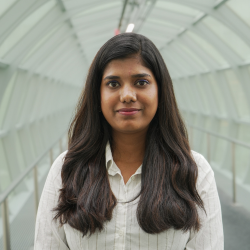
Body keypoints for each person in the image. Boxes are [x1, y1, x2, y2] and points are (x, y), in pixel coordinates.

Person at [34, 33, 224, 250]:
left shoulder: (195, 171)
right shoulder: (67, 168)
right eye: (113, 83)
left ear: (161, 92)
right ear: (98, 95)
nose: (127, 95)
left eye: (141, 82)